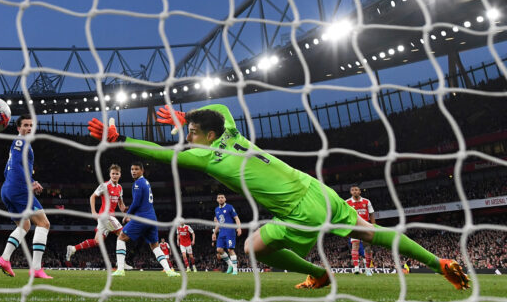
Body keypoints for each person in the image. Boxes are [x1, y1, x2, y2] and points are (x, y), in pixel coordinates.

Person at [87, 104, 470, 290]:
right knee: (370, 232)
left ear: (203, 136)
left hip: (299, 208)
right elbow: (220, 108)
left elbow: (158, 152)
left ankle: (319, 274)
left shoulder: (208, 157)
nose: (187, 139)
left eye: (191, 133)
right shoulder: (231, 131)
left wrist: (120, 140)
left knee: (254, 247)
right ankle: (441, 264)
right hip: (314, 187)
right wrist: (189, 118)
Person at [0, 114, 52, 279]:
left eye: (31, 125)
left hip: (8, 189)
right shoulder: (21, 141)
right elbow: (18, 164)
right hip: (19, 190)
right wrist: (31, 182)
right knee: (44, 224)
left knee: (24, 225)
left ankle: (4, 259)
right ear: (19, 128)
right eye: (25, 125)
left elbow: (7, 169)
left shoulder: (16, 144)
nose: (29, 128)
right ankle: (36, 268)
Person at [111, 162, 180, 277]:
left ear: (142, 171)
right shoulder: (146, 182)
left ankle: (120, 269)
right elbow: (142, 202)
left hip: (142, 217)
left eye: (136, 169)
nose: (133, 171)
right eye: (132, 169)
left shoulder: (138, 183)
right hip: (152, 218)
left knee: (121, 238)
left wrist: (128, 214)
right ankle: (169, 271)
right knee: (155, 245)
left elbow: (136, 203)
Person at [66, 164, 127, 263]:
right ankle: (121, 263)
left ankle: (73, 248)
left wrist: (126, 210)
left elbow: (121, 204)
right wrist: (93, 212)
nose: (114, 175)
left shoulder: (120, 188)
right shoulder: (105, 185)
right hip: (105, 215)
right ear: (110, 174)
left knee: (97, 241)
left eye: (117, 174)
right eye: (113, 173)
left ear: (120, 175)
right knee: (123, 234)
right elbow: (92, 197)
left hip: (109, 217)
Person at [346, 185, 375, 276]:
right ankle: (356, 268)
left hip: (366, 226)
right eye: (353, 190)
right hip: (354, 227)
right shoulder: (347, 202)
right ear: (351, 192)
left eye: (356, 190)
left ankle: (367, 269)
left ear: (360, 192)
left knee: (367, 247)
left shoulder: (367, 201)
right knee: (355, 245)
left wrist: (373, 226)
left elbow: (371, 214)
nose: (354, 191)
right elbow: (345, 216)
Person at [212, 194, 242, 275]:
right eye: (219, 198)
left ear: (225, 199)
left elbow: (236, 218)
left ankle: (235, 270)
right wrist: (214, 233)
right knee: (219, 250)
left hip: (230, 231)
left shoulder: (229, 207)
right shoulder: (216, 209)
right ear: (217, 200)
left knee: (230, 250)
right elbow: (218, 224)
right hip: (222, 232)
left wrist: (239, 228)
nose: (220, 199)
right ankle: (230, 265)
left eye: (222, 197)